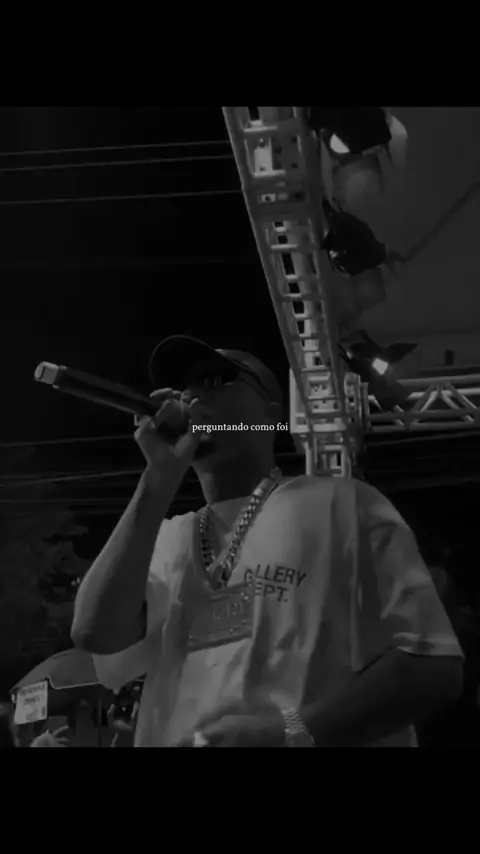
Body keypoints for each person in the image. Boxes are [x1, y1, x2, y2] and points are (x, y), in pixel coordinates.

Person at [72, 335, 464, 747]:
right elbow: (95, 632)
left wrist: (291, 731)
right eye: (184, 389)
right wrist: (157, 479)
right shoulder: (163, 536)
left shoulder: (344, 504)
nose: (192, 399)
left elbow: (431, 664)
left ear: (270, 413)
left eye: (216, 381)